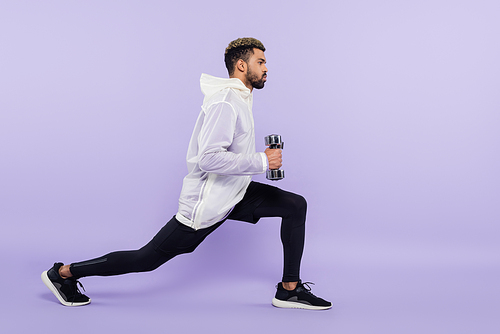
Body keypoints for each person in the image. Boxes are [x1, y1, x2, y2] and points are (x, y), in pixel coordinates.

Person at [41, 37, 332, 310]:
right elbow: (208, 159)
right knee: (147, 259)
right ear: (241, 65)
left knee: (295, 205)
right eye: (261, 62)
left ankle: (289, 288)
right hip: (206, 204)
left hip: (234, 192)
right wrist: (262, 160)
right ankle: (64, 273)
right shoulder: (226, 102)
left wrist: (259, 163)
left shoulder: (241, 97)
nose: (266, 68)